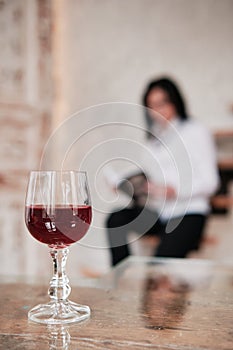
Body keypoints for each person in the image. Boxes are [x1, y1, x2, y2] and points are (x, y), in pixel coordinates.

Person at [106, 77, 219, 266]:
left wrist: (174, 190)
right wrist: (132, 187)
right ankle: (121, 274)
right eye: (151, 106)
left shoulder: (195, 131)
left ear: (175, 101)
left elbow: (211, 181)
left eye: (161, 103)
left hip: (188, 213)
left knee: (158, 269)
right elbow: (151, 177)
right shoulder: (154, 139)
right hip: (159, 213)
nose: (157, 111)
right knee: (116, 220)